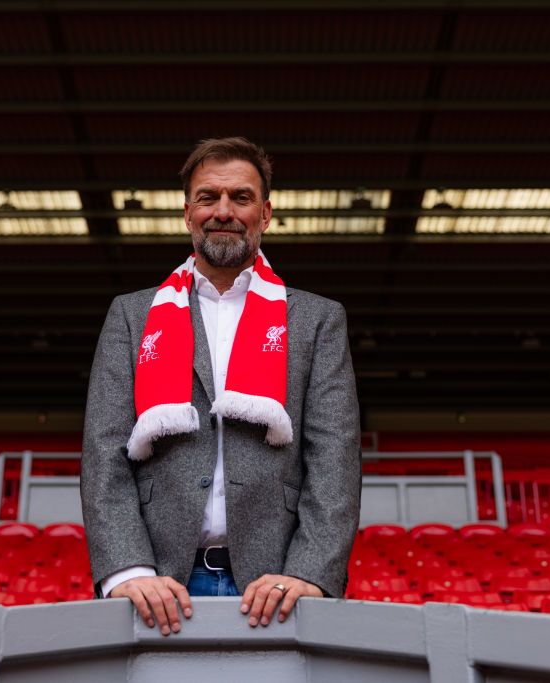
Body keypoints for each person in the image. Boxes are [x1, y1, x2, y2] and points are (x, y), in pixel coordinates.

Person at [80, 137, 360, 636]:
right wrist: (129, 570)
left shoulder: (318, 320)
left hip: (277, 588)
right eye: (209, 197)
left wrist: (308, 572)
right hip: (158, 586)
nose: (223, 211)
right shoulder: (132, 314)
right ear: (188, 213)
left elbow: (334, 459)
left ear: (266, 213)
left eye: (241, 198)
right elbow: (104, 451)